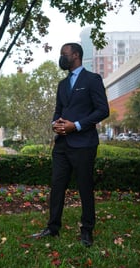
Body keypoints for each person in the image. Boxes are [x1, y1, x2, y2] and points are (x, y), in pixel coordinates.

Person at [32, 42, 109, 247]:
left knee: (85, 187)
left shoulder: (92, 79)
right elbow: (58, 110)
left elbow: (103, 110)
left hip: (84, 144)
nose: (61, 58)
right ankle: (52, 227)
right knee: (57, 186)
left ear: (75, 55)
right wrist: (55, 124)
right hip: (62, 145)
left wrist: (76, 125)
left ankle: (87, 230)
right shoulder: (62, 85)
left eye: (64, 54)